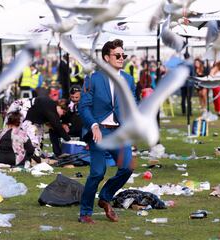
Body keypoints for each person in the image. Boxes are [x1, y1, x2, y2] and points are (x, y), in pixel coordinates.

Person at [78, 39, 136, 224]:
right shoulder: (92, 79)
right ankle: (85, 212)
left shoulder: (128, 79)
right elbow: (84, 106)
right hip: (99, 131)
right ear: (106, 58)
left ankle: (105, 196)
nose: (121, 58)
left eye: (123, 55)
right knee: (97, 172)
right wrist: (94, 125)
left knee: (127, 167)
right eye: (117, 55)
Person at [5, 96, 71, 159]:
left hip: (31, 117)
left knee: (38, 135)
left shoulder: (51, 107)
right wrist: (69, 140)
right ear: (59, 107)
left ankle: (35, 154)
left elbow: (52, 124)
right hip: (19, 107)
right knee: (14, 132)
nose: (62, 114)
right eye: (63, 112)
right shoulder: (50, 108)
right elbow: (57, 126)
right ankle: (9, 151)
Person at [49, 85, 83, 156]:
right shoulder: (65, 104)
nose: (74, 99)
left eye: (76, 97)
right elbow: (57, 118)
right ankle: (58, 154)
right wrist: (62, 125)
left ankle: (82, 153)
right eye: (72, 97)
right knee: (53, 131)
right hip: (67, 128)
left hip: (80, 128)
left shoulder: (85, 105)